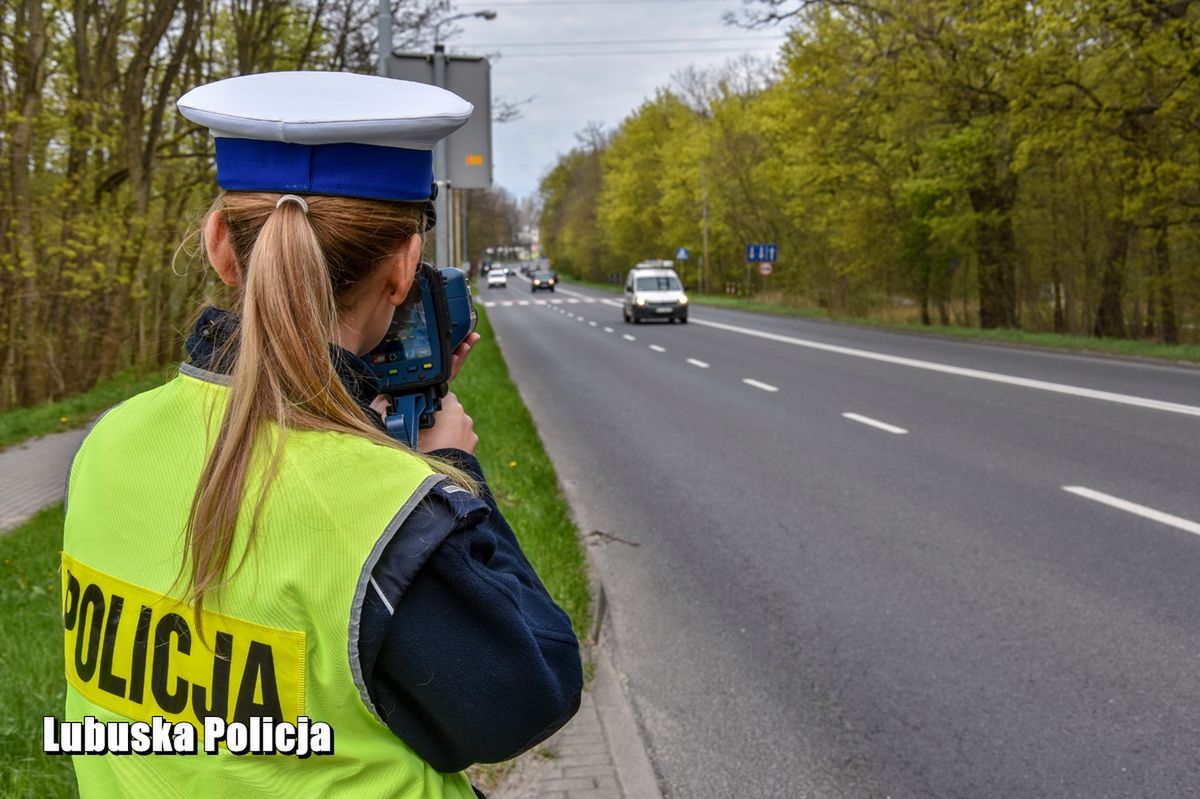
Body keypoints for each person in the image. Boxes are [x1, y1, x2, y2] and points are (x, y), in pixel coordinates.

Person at [60, 71, 582, 798]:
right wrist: (455, 471)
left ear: (219, 243)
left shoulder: (107, 446)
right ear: (403, 269)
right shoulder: (390, 513)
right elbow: (532, 692)